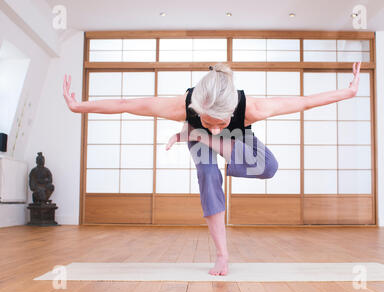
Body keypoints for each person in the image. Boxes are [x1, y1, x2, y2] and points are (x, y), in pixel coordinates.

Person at [63, 62, 361, 276]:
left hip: (231, 139)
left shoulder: (252, 108)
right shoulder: (183, 107)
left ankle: (195, 135)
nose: (218, 126)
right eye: (209, 120)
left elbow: (306, 102)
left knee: (269, 166)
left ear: (233, 109)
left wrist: (348, 92)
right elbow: (127, 103)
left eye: (222, 121)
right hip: (200, 139)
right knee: (208, 174)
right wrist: (80, 107)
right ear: (196, 110)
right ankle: (222, 255)